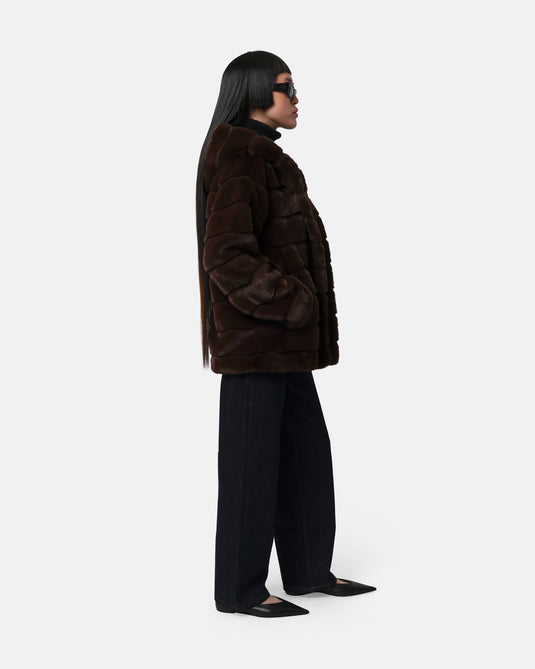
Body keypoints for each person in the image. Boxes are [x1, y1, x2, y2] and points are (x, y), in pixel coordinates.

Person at [195, 50, 376, 618]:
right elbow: (226, 257)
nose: (296, 97)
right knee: (251, 466)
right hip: (256, 345)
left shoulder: (264, 156)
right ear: (253, 92)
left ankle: (308, 571)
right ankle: (240, 590)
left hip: (283, 344)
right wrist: (294, 301)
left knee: (305, 458)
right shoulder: (242, 156)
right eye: (285, 86)